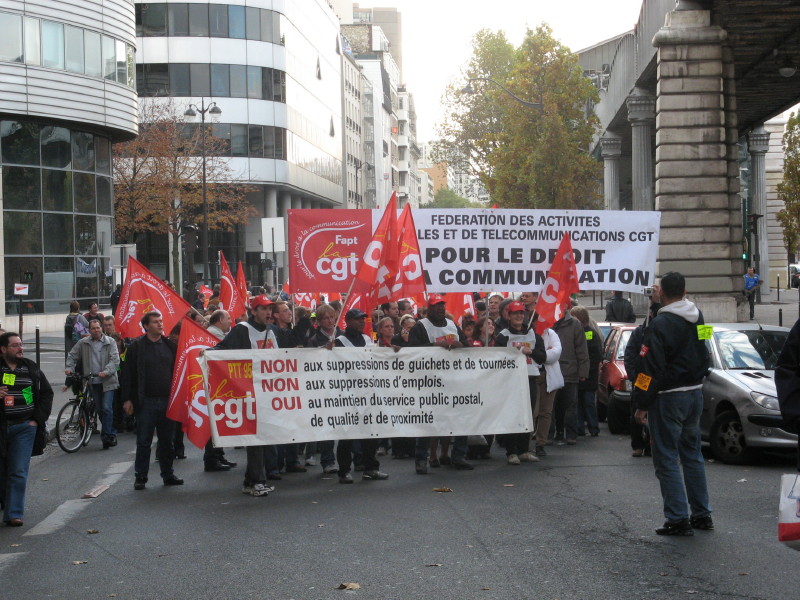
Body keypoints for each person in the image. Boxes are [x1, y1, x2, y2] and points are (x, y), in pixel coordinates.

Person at [632, 272, 713, 536]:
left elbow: (650, 367)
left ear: (663, 292)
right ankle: (702, 514)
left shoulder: (661, 324)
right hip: (694, 392)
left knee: (666, 457)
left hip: (669, 396)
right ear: (685, 291)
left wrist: (642, 402)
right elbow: (704, 344)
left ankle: (677, 518)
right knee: (692, 455)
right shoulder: (697, 315)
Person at [215, 295, 279, 495]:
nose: (268, 313)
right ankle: (257, 481)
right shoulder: (242, 330)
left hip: (267, 392)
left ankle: (250, 482)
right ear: (254, 311)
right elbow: (222, 350)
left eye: (270, 309)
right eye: (263, 309)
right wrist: (208, 353)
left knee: (261, 438)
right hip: (248, 392)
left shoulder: (271, 331)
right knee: (256, 438)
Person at [408, 294, 474, 474]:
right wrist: (436, 346)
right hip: (430, 382)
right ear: (429, 308)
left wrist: (461, 344)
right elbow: (412, 351)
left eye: (442, 306)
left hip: (453, 380)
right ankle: (421, 459)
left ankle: (458, 455)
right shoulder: (421, 326)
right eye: (436, 306)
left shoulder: (453, 325)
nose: (440, 309)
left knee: (460, 417)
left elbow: (466, 346)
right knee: (427, 420)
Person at [123, 312, 184, 491]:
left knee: (167, 441)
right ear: (146, 326)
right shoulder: (136, 347)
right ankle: (140, 477)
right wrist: (127, 399)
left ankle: (168, 474)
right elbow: (127, 375)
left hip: (167, 401)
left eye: (161, 321)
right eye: (155, 322)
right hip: (146, 402)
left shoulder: (169, 346)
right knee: (144, 441)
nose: (160, 324)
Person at [0, 332, 53, 526]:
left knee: (18, 470)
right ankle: (7, 501)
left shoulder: (30, 367)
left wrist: (36, 420)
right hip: (2, 427)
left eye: (21, 344)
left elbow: (47, 393)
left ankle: (14, 513)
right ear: (3, 349)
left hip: (24, 427)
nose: (20, 348)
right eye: (15, 345)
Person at [334, 309, 389, 483]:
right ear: (348, 321)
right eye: (358, 319)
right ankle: (344, 470)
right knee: (347, 435)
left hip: (367, 392)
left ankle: (370, 467)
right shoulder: (339, 341)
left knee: (370, 433)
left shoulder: (366, 339)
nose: (361, 322)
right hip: (348, 393)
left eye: (363, 319)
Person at [494, 302, 547, 464]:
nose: (519, 316)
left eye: (521, 313)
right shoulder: (503, 336)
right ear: (508, 316)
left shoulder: (533, 335)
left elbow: (542, 357)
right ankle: (512, 452)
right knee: (512, 414)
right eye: (515, 313)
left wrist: (531, 351)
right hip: (510, 380)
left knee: (528, 414)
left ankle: (524, 450)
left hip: (529, 378)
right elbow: (497, 358)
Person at [66, 319, 121, 449]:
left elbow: (115, 360)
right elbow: (72, 355)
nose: (96, 330)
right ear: (89, 330)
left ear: (101, 328)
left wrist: (106, 371)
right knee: (100, 409)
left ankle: (107, 435)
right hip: (92, 382)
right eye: (93, 328)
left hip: (108, 381)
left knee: (107, 407)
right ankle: (110, 432)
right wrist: (69, 368)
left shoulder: (110, 342)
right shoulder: (83, 343)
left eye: (98, 328)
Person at [624, 287, 662, 457]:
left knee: (651, 412)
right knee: (637, 412)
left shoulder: (661, 329)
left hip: (655, 378)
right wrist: (634, 376)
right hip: (641, 378)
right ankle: (637, 445)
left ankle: (650, 444)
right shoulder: (640, 332)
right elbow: (630, 355)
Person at [552, 303, 589, 445]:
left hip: (570, 372)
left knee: (570, 405)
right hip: (552, 370)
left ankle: (571, 434)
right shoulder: (548, 322)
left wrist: (583, 371)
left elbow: (582, 349)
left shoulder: (575, 324)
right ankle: (555, 433)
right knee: (554, 406)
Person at [570, 306, 602, 437]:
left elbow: (595, 355)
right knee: (578, 403)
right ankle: (580, 428)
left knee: (588, 403)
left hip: (588, 376)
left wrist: (586, 371)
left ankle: (593, 427)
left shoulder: (589, 333)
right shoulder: (576, 332)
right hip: (579, 374)